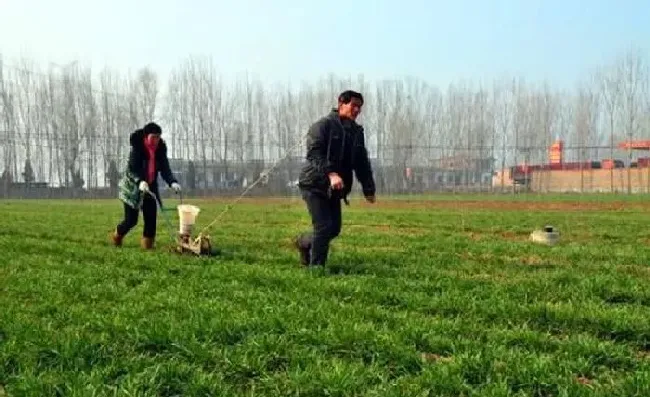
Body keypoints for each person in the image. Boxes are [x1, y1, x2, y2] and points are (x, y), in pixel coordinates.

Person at [294, 90, 376, 267]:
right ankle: (316, 270)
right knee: (323, 227)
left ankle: (304, 243)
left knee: (333, 229)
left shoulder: (356, 132)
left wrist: (369, 188)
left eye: (359, 107)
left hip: (335, 189)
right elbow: (314, 154)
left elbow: (361, 161)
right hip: (314, 184)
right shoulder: (323, 126)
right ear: (341, 104)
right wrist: (331, 174)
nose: (357, 110)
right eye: (353, 105)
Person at [110, 122, 181, 249]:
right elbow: (132, 169)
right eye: (153, 137)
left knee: (151, 219)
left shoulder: (160, 150)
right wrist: (140, 181)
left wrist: (172, 182)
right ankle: (117, 236)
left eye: (158, 137)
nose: (156, 140)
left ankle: (147, 247)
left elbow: (165, 168)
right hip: (132, 188)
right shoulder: (137, 148)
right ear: (146, 136)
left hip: (150, 187)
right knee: (131, 221)